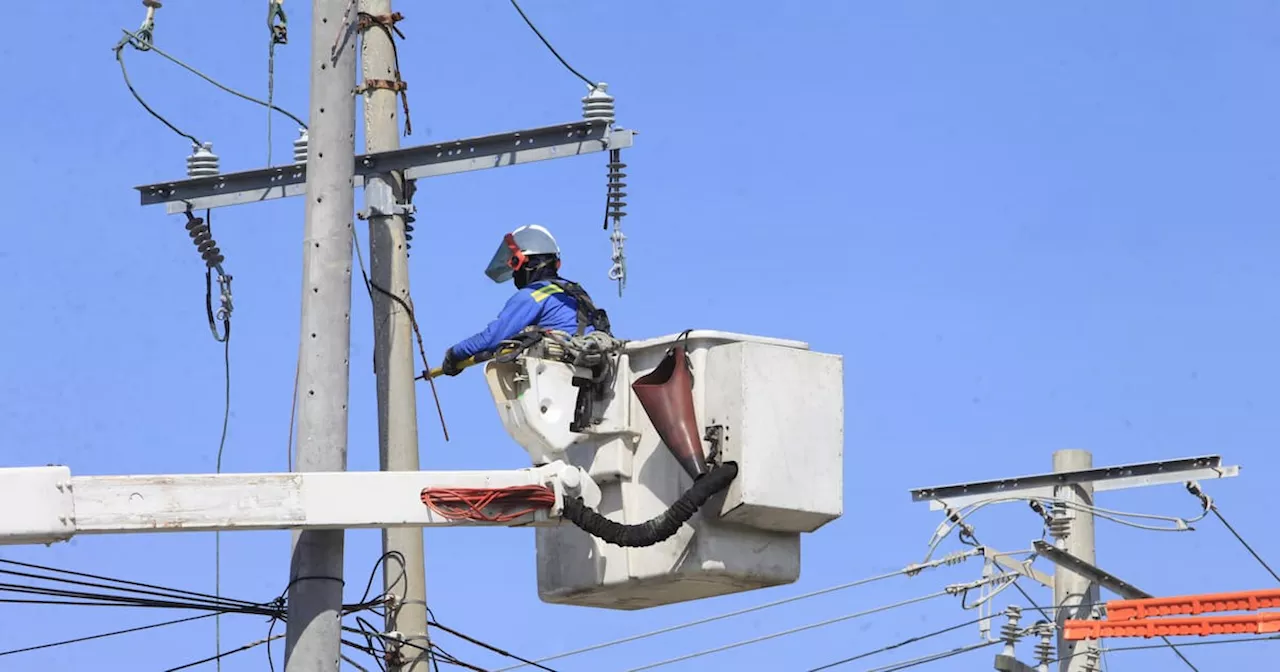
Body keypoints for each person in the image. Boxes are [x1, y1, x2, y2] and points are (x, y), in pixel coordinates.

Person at [440, 224, 611, 376]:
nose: (515, 274)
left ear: (524, 262)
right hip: (596, 369)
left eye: (515, 266)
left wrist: (454, 354)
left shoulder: (534, 294)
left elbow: (492, 338)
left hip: (567, 374)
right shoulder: (574, 290)